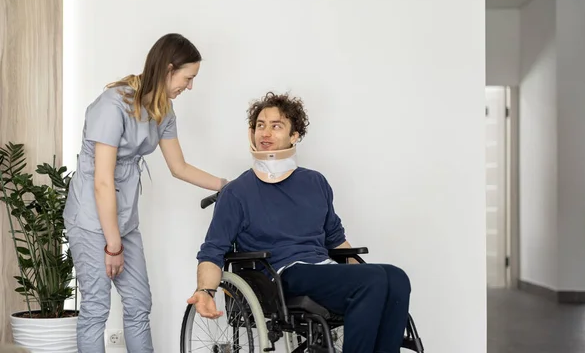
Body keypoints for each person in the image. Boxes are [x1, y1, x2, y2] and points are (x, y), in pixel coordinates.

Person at [188, 92, 411, 353]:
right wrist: (205, 291)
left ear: (294, 136)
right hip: (281, 275)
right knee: (373, 279)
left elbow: (336, 240)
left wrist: (366, 275)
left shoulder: (315, 182)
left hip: (321, 269)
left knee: (396, 278)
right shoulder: (237, 192)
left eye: (276, 126)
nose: (266, 133)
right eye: (260, 125)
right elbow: (213, 251)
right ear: (252, 133)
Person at [63, 33, 228, 353]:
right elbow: (102, 182)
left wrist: (230, 185)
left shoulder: (163, 111)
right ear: (168, 69)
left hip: (123, 217)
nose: (190, 87)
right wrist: (113, 245)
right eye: (188, 78)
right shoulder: (112, 106)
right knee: (96, 308)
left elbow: (179, 167)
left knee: (139, 304)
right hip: (90, 216)